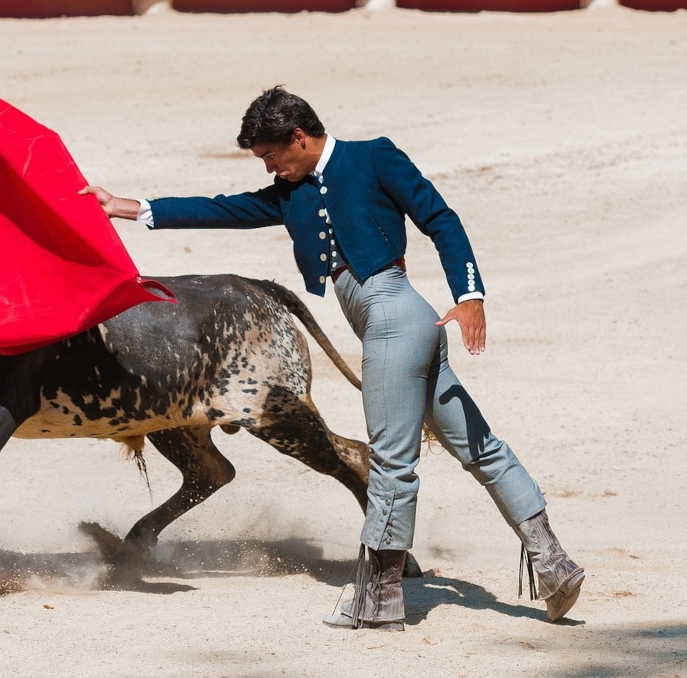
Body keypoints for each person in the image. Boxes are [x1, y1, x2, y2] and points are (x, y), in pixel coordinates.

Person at [81, 86, 583, 630]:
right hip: (402, 327)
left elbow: (441, 219)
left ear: (299, 137)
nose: (270, 166)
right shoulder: (289, 191)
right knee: (480, 448)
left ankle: (380, 599)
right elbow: (222, 209)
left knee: (393, 461)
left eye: (272, 154)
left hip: (395, 320)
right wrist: (126, 208)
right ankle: (554, 563)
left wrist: (470, 298)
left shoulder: (374, 156)